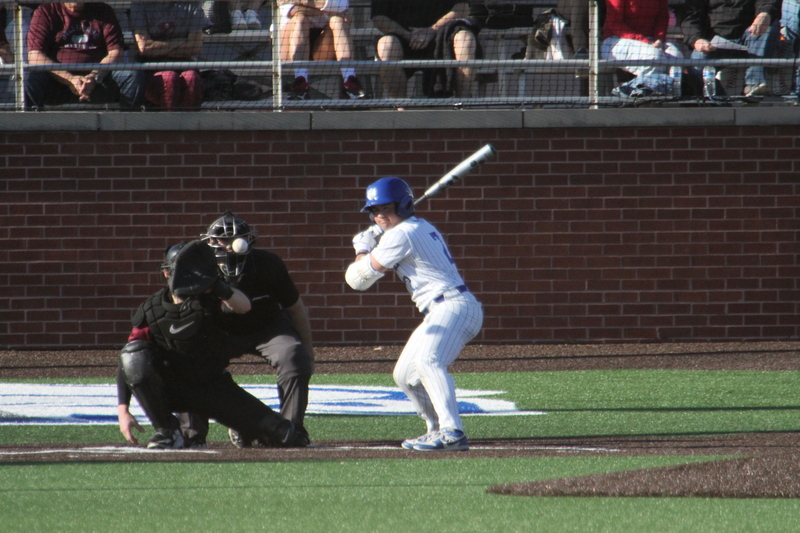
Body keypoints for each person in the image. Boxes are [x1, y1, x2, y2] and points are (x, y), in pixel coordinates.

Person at [345, 177, 483, 451]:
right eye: (375, 210)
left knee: (428, 361)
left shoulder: (402, 233)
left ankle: (452, 432)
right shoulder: (414, 227)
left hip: (452, 306)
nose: (379, 215)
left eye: (386, 208)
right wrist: (378, 237)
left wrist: (362, 247)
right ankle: (434, 429)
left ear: (404, 205)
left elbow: (357, 280)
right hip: (442, 309)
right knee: (405, 375)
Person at [117, 240, 295, 449]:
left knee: (285, 436)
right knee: (133, 354)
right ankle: (167, 431)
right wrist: (123, 410)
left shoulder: (211, 299)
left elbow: (244, 306)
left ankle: (244, 427)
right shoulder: (152, 310)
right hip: (176, 388)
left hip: (214, 387)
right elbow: (128, 361)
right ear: (167, 273)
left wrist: (218, 285)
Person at [201, 211, 316, 447]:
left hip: (267, 326)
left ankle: (290, 429)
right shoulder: (200, 268)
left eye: (235, 239)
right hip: (220, 332)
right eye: (221, 239)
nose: (229, 246)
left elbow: (295, 308)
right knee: (192, 360)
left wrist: (309, 351)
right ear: (210, 242)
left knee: (292, 354)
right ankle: (191, 432)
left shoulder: (267, 264)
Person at [25, 2, 146, 110]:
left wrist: (94, 77)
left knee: (133, 75)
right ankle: (34, 128)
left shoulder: (103, 10)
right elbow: (35, 55)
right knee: (30, 77)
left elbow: (116, 53)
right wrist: (70, 79)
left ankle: (126, 127)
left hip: (99, 82)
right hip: (57, 83)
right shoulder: (45, 11)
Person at [371, 0, 481, 99]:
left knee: (465, 38)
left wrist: (432, 30)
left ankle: (462, 102)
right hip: (403, 37)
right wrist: (409, 36)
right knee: (386, 45)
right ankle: (401, 106)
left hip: (443, 35)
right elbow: (379, 18)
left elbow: (462, 8)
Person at [679, 0, 781, 96]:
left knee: (769, 27)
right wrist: (696, 40)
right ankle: (721, 99)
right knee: (695, 69)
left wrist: (765, 13)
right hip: (713, 43)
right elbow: (691, 17)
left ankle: (754, 85)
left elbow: (768, 2)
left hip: (751, 36)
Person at [277, 0, 366, 100]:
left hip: (322, 43)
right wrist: (327, 8)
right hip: (289, 41)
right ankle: (300, 83)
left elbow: (341, 6)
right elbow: (292, 10)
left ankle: (350, 81)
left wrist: (302, 1)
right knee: (300, 19)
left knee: (338, 21)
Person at [130, 1, 206, 109]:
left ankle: (188, 124)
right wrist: (181, 42)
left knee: (192, 78)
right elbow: (145, 48)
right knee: (170, 78)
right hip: (151, 69)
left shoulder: (192, 4)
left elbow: (196, 46)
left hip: (185, 64)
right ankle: (168, 123)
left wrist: (158, 47)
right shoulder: (140, 4)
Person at [601, 0, 684, 95]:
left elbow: (662, 17)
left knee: (676, 56)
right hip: (615, 41)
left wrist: (659, 39)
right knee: (654, 56)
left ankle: (673, 97)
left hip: (650, 41)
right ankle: (643, 99)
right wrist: (645, 41)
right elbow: (614, 23)